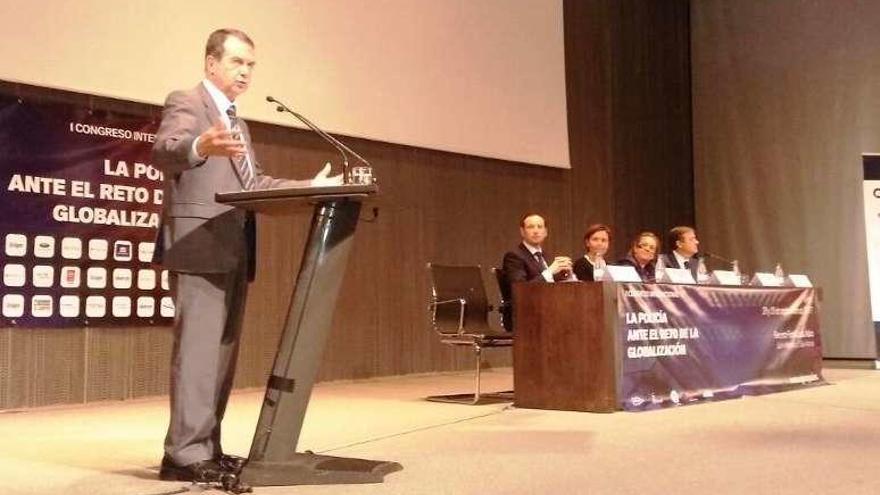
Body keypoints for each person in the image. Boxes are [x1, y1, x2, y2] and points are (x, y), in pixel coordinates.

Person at [151, 28, 341, 483]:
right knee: (197, 356)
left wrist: (312, 187)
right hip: (198, 247)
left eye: (251, 64)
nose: (246, 71)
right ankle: (181, 453)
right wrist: (201, 145)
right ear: (211, 63)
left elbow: (253, 186)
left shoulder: (240, 124)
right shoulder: (187, 102)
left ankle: (206, 448)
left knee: (219, 358)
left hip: (233, 249)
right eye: (237, 62)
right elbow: (164, 151)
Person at [499, 213, 573, 331]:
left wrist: (568, 275)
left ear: (545, 232)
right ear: (522, 232)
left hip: (548, 312)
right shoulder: (514, 256)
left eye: (540, 227)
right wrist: (550, 271)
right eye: (531, 227)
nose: (536, 231)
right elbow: (521, 290)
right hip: (526, 314)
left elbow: (552, 285)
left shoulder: (545, 256)